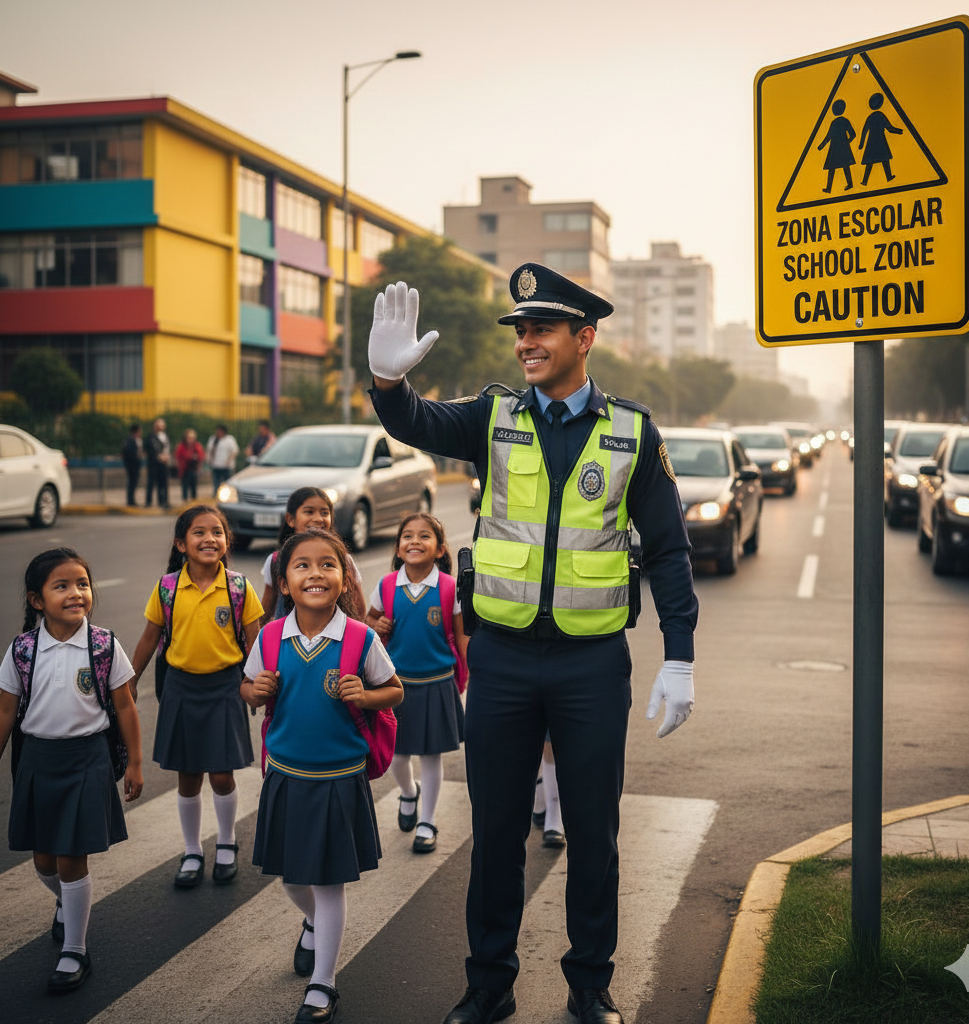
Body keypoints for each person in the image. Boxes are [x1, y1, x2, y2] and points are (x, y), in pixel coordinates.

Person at [368, 267, 698, 1024]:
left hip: (589, 663)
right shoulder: (493, 416)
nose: (525, 343)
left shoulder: (631, 431)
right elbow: (417, 420)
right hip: (504, 661)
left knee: (593, 832)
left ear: (584, 338)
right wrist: (387, 380)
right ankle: (489, 984)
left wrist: (679, 653)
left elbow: (670, 549)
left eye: (541, 329)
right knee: (494, 837)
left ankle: (589, 986)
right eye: (520, 331)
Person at [241, 528, 402, 1024]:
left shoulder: (360, 637)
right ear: (284, 582)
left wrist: (366, 695)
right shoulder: (270, 637)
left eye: (328, 564)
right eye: (302, 565)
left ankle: (323, 983)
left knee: (330, 882)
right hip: (286, 775)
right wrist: (255, 689)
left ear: (345, 576)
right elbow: (247, 690)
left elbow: (394, 691)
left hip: (340, 778)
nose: (316, 573)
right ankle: (314, 923)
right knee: (293, 877)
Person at [0, 548, 143, 994]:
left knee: (70, 858)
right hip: (39, 761)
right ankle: (68, 903)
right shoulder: (23, 649)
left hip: (87, 760)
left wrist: (136, 762)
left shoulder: (103, 645)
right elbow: (6, 711)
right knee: (43, 860)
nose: (76, 593)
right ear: (37, 600)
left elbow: (125, 704)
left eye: (82, 584)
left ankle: (75, 951)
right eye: (61, 586)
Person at [130, 505, 264, 889]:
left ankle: (226, 842)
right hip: (181, 688)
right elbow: (149, 637)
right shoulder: (168, 587)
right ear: (181, 543)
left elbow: (256, 642)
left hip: (225, 687)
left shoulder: (239, 587)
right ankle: (192, 850)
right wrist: (131, 680)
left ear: (227, 541)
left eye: (218, 532)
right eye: (199, 533)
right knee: (188, 777)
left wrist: (259, 685)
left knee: (222, 775)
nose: (210, 539)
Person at [366, 512, 468, 855]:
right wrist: (377, 626)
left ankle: (427, 820)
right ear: (398, 547)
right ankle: (409, 793)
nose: (414, 541)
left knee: (431, 755)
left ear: (440, 549)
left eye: (424, 536)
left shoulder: (450, 587)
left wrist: (467, 676)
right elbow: (369, 623)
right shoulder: (385, 585)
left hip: (438, 681)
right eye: (407, 536)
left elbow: (460, 636)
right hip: (396, 684)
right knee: (397, 753)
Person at [258, 488, 366, 625]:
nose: (318, 519)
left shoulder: (344, 561)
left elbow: (359, 610)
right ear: (291, 519)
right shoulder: (275, 562)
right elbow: (266, 609)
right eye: (309, 512)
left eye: (324, 513)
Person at [858, 92, 903, 186]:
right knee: (883, 158)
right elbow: (889, 128)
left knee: (872, 161)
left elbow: (864, 131)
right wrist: (899, 131)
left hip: (871, 142)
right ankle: (868, 180)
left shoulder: (870, 117)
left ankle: (866, 180)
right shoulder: (880, 116)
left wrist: (862, 143)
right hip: (880, 141)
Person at [817, 98, 856, 193]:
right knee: (840, 167)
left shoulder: (836, 123)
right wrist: (847, 142)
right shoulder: (841, 122)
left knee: (837, 167)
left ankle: (847, 184)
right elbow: (852, 135)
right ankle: (830, 188)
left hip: (835, 148)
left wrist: (821, 146)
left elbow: (828, 137)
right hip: (839, 148)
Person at [144, 418, 171, 509]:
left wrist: (166, 457)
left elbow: (167, 448)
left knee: (163, 483)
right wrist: (159, 457)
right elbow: (150, 450)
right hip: (153, 464)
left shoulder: (165, 436)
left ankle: (163, 501)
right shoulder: (150, 437)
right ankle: (148, 502)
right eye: (158, 426)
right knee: (151, 483)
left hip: (163, 464)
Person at [207, 425, 239, 495]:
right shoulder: (213, 439)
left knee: (227, 482)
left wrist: (228, 461)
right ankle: (216, 494)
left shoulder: (229, 439)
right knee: (216, 482)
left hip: (226, 466)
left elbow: (234, 451)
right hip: (216, 465)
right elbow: (209, 450)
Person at [175, 429, 205, 503]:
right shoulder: (182, 446)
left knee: (193, 486)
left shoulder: (197, 446)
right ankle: (185, 500)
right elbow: (179, 456)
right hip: (185, 469)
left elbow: (201, 456)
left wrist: (196, 458)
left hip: (194, 469)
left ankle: (193, 500)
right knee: (185, 486)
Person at [121, 424, 144, 506]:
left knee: (134, 483)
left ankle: (132, 500)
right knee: (131, 483)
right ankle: (130, 501)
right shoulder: (130, 441)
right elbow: (128, 454)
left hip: (136, 465)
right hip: (132, 466)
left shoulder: (138, 440)